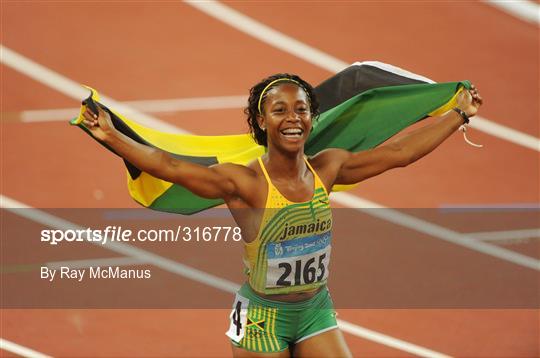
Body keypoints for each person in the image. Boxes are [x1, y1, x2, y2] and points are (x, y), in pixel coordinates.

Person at [82, 73, 483, 357]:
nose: (293, 117)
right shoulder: (245, 183)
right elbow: (169, 166)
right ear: (261, 121)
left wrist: (458, 115)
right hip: (262, 318)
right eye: (280, 110)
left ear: (312, 118)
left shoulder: (328, 168)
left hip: (314, 310)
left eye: (301, 109)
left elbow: (399, 155)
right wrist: (113, 136)